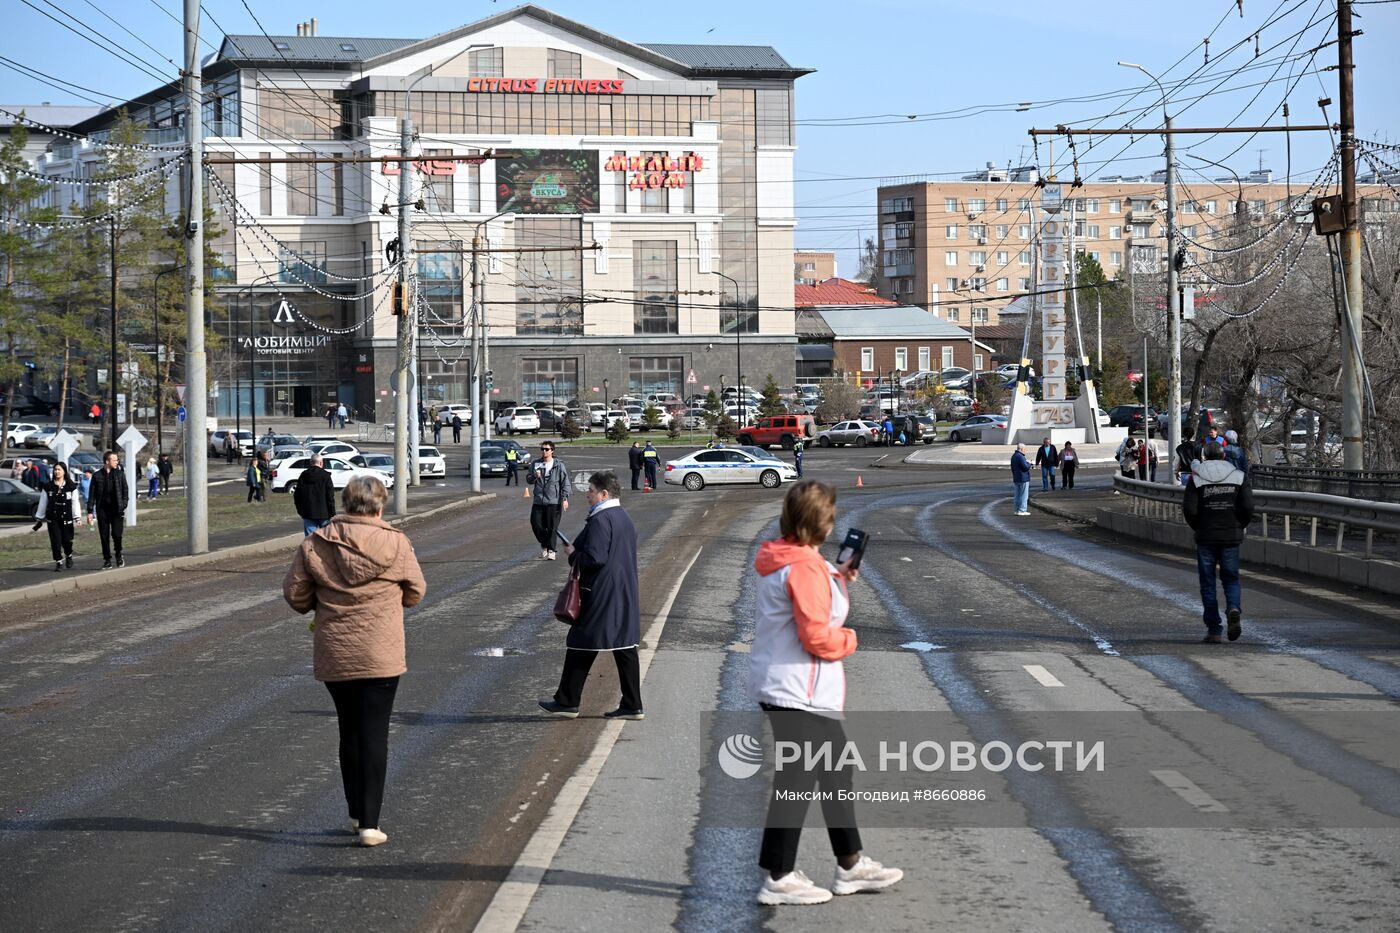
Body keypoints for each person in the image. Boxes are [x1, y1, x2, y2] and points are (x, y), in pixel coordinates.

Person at [748, 480, 903, 906]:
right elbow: (818, 636)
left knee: (835, 774)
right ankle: (779, 876)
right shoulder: (804, 567)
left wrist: (840, 578)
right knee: (796, 781)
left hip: (792, 685)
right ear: (820, 521)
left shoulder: (791, 558)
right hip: (799, 688)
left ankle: (850, 865)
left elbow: (811, 602)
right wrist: (850, 640)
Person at [283, 475, 426, 848]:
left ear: (345, 504)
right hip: (381, 651)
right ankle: (370, 823)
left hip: (336, 650)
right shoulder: (396, 542)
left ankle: (354, 812)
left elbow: (295, 596)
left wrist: (323, 599)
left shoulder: (316, 542)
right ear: (380, 506)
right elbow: (415, 592)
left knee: (349, 729)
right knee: (375, 733)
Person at [539, 471, 643, 720]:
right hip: (623, 590)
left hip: (600, 593)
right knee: (624, 646)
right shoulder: (623, 517)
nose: (587, 495)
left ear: (604, 494)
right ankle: (632, 704)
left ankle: (567, 701)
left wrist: (573, 554)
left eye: (591, 491)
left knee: (581, 642)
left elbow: (595, 558)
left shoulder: (601, 519)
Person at [1183, 443, 1254, 644]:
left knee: (1208, 583)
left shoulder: (1196, 478)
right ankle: (1233, 608)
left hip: (1206, 536)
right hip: (1231, 535)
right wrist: (1239, 525)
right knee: (1231, 578)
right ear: (1224, 457)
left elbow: (1189, 509)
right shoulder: (1238, 476)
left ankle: (1214, 630)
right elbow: (1248, 506)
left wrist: (1199, 526)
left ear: (1204, 457)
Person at [32, 461, 82, 572]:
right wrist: (39, 517)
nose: (57, 472)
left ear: (64, 471)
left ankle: (68, 555)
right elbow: (43, 502)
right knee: (56, 542)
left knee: (67, 541)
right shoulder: (48, 486)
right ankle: (58, 562)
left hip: (67, 519)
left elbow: (75, 503)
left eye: (59, 469)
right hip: (53, 519)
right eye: (55, 469)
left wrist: (77, 517)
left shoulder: (71, 486)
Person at [528, 442, 571, 560]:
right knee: (536, 524)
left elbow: (565, 482)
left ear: (552, 451)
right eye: (542, 449)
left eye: (547, 449)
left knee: (552, 527)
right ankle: (545, 545)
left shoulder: (559, 465)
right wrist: (534, 476)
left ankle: (551, 550)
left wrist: (565, 498)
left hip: (554, 501)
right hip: (538, 501)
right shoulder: (535, 463)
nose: (544, 451)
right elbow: (528, 479)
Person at [88, 450, 128, 569]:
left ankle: (119, 554)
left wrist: (123, 504)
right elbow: (92, 495)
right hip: (102, 511)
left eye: (117, 460)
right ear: (107, 461)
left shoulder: (120, 474)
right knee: (104, 536)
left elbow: (125, 491)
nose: (117, 462)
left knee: (117, 535)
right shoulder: (97, 476)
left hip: (117, 510)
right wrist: (90, 511)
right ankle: (107, 560)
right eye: (114, 460)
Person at [294, 453, 336, 536]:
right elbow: (330, 496)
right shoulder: (325, 476)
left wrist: (300, 510)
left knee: (310, 540)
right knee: (325, 538)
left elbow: (297, 495)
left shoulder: (303, 475)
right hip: (324, 512)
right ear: (321, 463)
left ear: (311, 462)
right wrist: (332, 512)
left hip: (308, 512)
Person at [1010, 443, 1031, 516]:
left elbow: (1012, 468)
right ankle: (1022, 510)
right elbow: (1025, 467)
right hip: (1023, 478)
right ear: (1021, 449)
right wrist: (1029, 464)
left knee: (1017, 495)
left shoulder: (1014, 456)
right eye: (1024, 449)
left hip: (1016, 478)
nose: (1025, 451)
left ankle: (1016, 510)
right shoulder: (1021, 456)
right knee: (1024, 495)